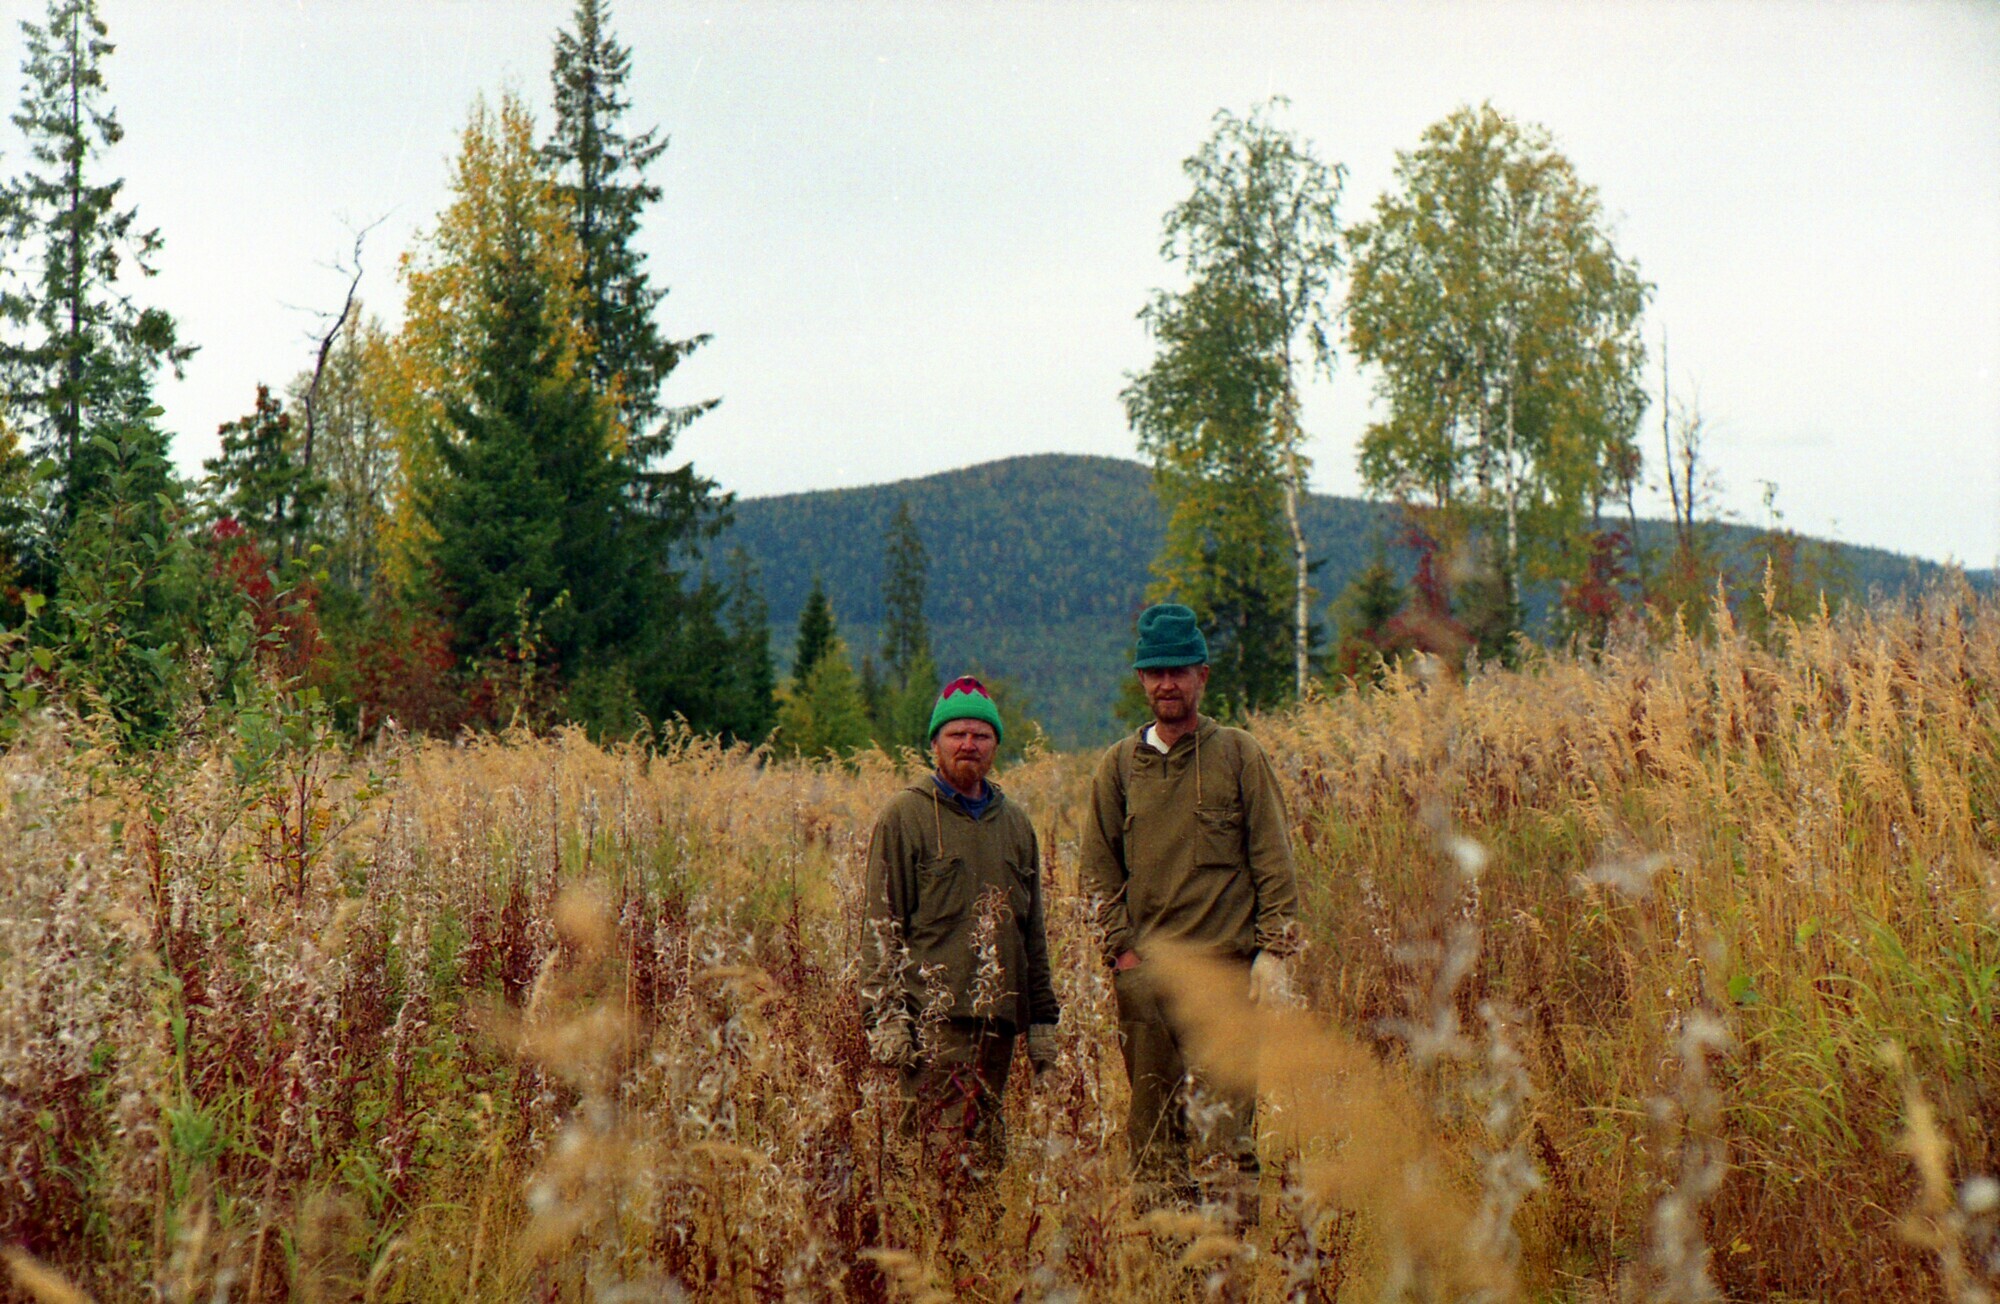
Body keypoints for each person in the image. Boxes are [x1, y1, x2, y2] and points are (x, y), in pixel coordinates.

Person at [1078, 603, 1302, 1221]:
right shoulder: (1119, 767)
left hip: (1228, 978)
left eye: (1179, 671)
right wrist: (1123, 954)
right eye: (1155, 672)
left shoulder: (1238, 755)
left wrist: (1274, 953)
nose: (1167, 684)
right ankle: (1165, 1254)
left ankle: (1231, 1256)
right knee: (1154, 1132)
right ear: (1141, 680)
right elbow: (1096, 872)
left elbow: (1274, 859)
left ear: (1202, 675)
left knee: (1228, 1131)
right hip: (1148, 982)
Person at [861, 675, 1060, 1175]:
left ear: (995, 746)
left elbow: (1032, 931)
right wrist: (885, 1018)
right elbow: (881, 924)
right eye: (956, 734)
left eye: (981, 735)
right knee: (932, 1158)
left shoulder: (1015, 825)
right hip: (933, 1024)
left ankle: (979, 1229)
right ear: (935, 744)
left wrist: (1042, 1021)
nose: (969, 744)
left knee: (987, 1158)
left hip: (998, 1024)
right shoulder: (905, 816)